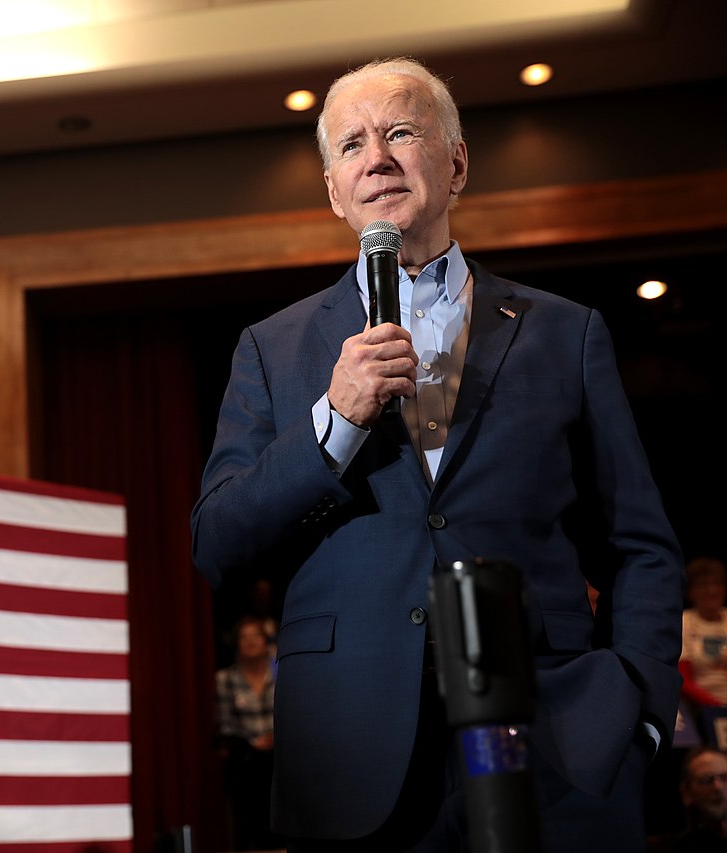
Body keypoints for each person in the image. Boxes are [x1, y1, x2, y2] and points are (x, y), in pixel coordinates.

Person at [189, 56, 684, 851]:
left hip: (556, 747)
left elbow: (641, 546)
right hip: (352, 758)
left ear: (456, 163)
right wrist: (335, 419)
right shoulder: (271, 348)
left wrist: (640, 712)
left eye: (400, 132)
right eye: (351, 144)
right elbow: (217, 542)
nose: (376, 157)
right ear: (332, 191)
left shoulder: (567, 330)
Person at [215, 616, 279, 851]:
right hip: (245, 758)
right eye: (244, 637)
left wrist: (276, 738)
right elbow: (224, 724)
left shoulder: (283, 673)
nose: (251, 641)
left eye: (256, 636)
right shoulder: (224, 679)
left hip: (282, 754)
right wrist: (252, 741)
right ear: (236, 643)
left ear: (267, 641)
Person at [682, 558, 727, 716]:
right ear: (691, 591)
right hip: (701, 710)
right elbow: (684, 680)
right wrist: (718, 707)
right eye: (704, 585)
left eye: (717, 584)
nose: (712, 590)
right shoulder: (684, 622)